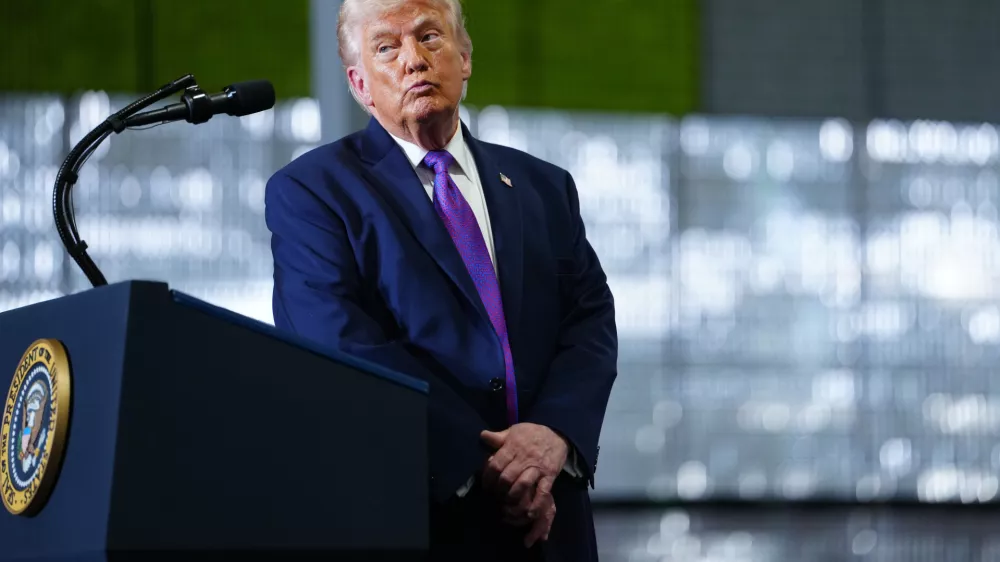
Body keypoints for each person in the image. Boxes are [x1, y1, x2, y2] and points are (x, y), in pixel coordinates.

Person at [265, 0, 617, 559]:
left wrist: (553, 435)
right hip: (418, 512)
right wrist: (489, 467)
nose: (414, 60)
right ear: (359, 83)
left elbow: (590, 322)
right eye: (387, 47)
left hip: (553, 521)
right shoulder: (313, 192)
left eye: (430, 37)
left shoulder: (544, 186)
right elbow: (338, 344)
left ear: (465, 57)